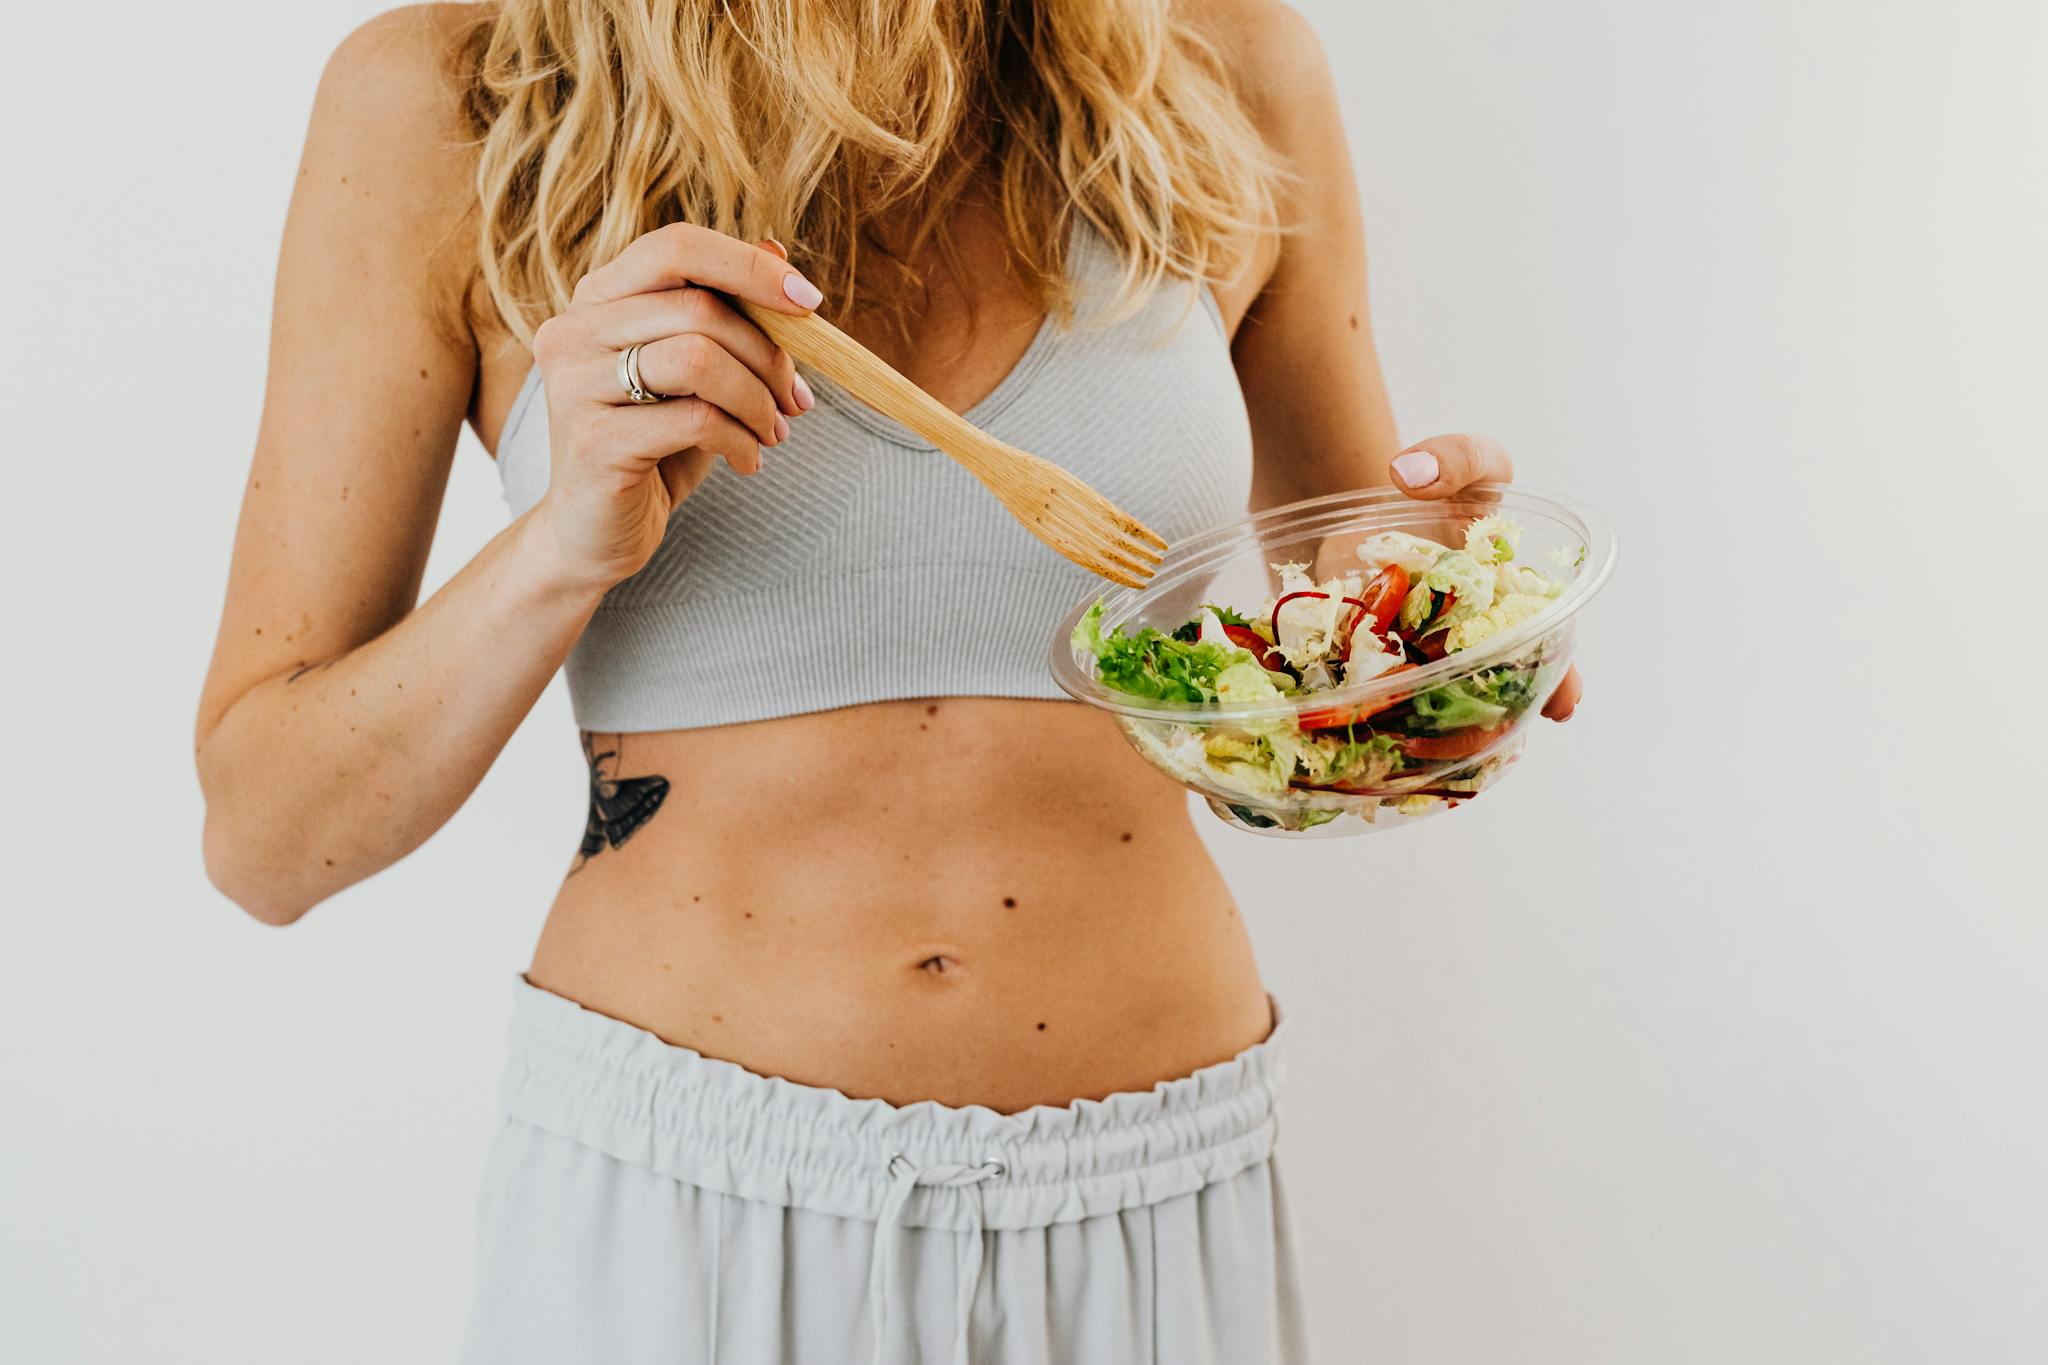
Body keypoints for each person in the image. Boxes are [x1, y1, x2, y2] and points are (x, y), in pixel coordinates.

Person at [196, 2, 1581, 1360]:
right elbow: (268, 840)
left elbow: (1333, 668)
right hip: (682, 1205)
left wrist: (1448, 638)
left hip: (1158, 1189)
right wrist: (558, 547)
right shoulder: (454, 94)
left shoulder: (1230, 68)